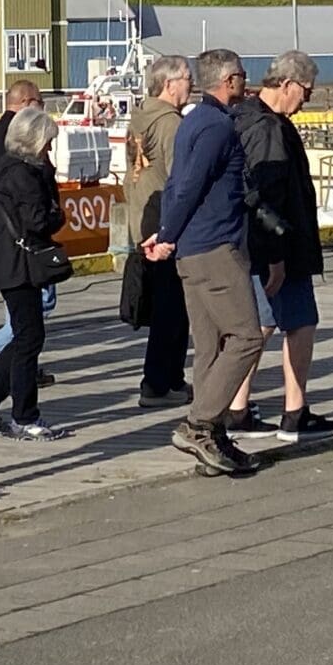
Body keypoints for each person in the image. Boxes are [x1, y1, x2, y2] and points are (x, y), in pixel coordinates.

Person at [143, 49, 262, 478]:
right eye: (244, 76)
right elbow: (189, 184)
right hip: (214, 248)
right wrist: (168, 234)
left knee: (210, 346)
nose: (248, 84)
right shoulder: (214, 126)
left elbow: (176, 183)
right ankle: (198, 424)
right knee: (247, 337)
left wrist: (166, 232)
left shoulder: (193, 121)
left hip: (193, 248)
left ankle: (212, 437)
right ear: (229, 80)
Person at [230, 52, 333, 443]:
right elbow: (267, 195)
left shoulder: (244, 117)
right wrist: (277, 254)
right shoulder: (269, 129)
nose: (307, 100)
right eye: (307, 91)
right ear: (289, 84)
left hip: (252, 245)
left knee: (259, 325)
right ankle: (294, 412)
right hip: (279, 247)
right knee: (299, 323)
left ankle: (237, 407)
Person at [0, 106, 68, 441]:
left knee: (27, 334)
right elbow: (39, 221)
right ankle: (23, 414)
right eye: (47, 143)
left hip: (10, 261)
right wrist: (57, 215)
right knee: (29, 338)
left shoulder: (5, 168)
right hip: (18, 264)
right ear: (35, 141)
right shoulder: (24, 175)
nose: (48, 150)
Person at [0, 81, 50, 381]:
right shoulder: (25, 142)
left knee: (18, 308)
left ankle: (18, 363)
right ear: (29, 102)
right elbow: (40, 208)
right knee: (38, 305)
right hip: (24, 238)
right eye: (40, 102)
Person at [122, 56, 191, 408]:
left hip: (142, 217)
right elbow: (182, 178)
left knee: (164, 305)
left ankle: (166, 378)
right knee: (172, 308)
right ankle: (160, 382)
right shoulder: (170, 124)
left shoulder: (138, 118)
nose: (190, 85)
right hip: (164, 224)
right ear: (169, 84)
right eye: (186, 79)